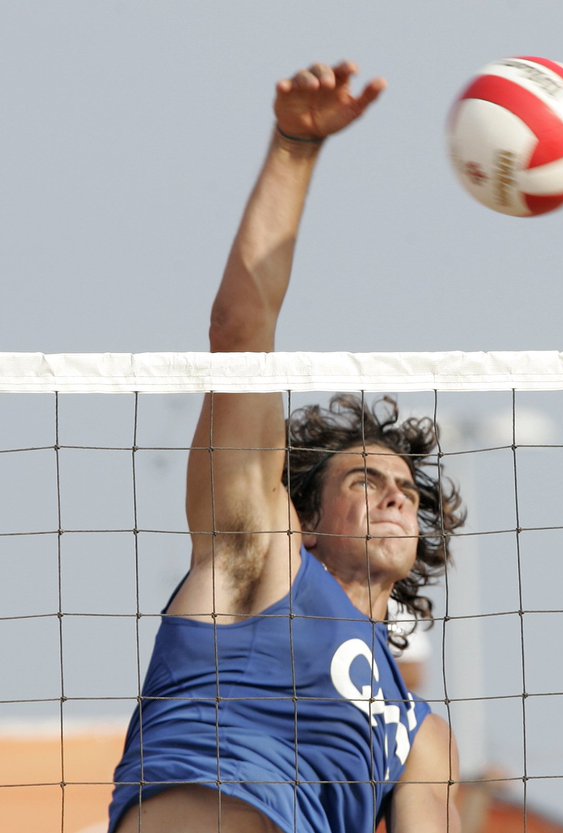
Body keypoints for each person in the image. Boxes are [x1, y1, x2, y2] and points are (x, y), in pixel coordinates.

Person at [108, 62, 466, 833]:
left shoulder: (421, 732)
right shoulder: (261, 560)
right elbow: (240, 334)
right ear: (304, 516)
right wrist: (295, 146)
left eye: (406, 486)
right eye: (366, 480)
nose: (399, 494)